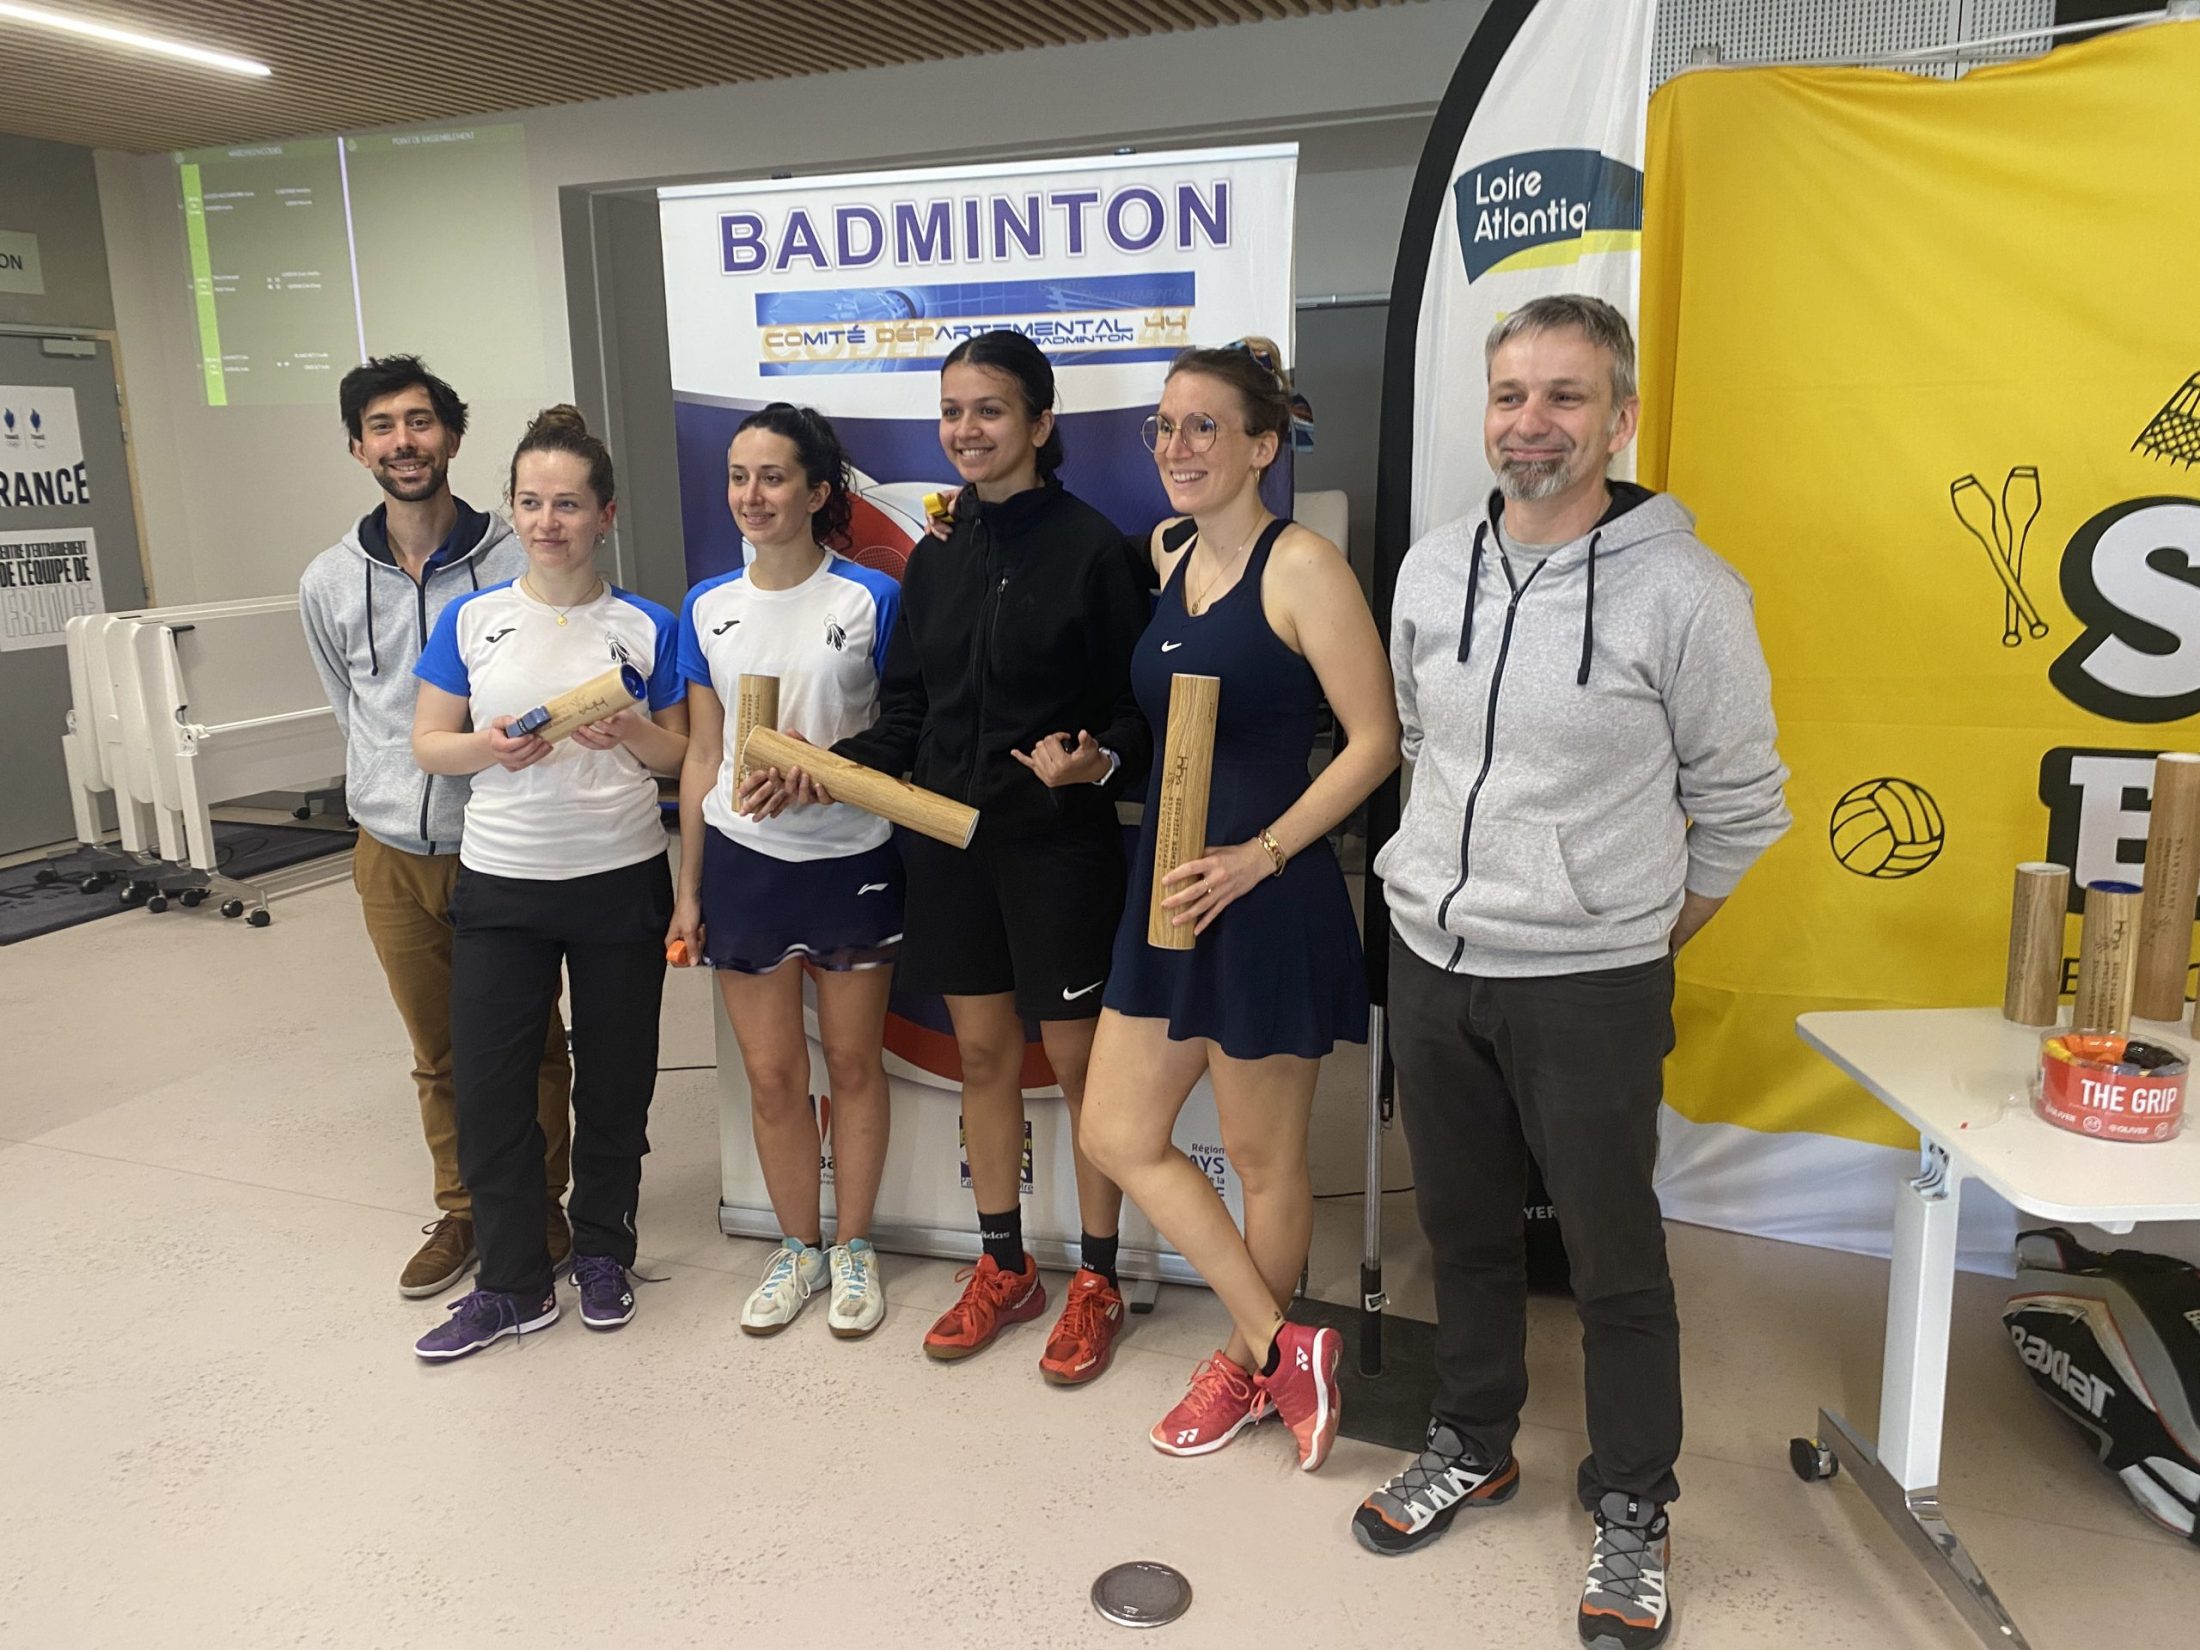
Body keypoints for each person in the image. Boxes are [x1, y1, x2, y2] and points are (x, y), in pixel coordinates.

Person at [1358, 294, 1789, 1650]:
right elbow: (1420, 738)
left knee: (1613, 1261)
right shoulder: (1432, 568)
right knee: (1464, 1229)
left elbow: (1743, 806)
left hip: (1590, 980)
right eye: (1510, 394)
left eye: (1563, 395)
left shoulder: (1688, 592)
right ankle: (1472, 1438)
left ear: (1620, 418)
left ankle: (1634, 1503)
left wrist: (1633, 933)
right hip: (1433, 957)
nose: (1530, 422)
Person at [786, 330, 1152, 1384]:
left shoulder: (1093, 550)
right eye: (951, 411)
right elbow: (908, 711)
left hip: (1058, 849)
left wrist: (1096, 761)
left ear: (1040, 422)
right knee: (985, 1059)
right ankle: (1005, 1266)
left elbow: (1138, 714)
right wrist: (835, 766)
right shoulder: (939, 554)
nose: (966, 430)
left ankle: (1097, 1279)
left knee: (1081, 1071)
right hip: (947, 845)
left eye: (988, 410)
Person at [1077, 340, 1400, 1474]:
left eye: (1204, 425)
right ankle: (1282, 1343)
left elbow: (1375, 743)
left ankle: (1243, 1364)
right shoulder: (1173, 554)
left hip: (1264, 894)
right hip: (1167, 892)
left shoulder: (1303, 566)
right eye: (1165, 426)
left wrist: (1259, 858)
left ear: (1264, 445)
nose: (1177, 446)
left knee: (1264, 1161)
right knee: (1114, 1132)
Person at [406, 406, 689, 1360]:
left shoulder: (647, 625)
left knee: (616, 1083)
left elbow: (683, 756)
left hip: (618, 879)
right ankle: (512, 1283)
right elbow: (429, 743)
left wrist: (632, 732)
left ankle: (604, 1251)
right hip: (502, 884)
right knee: (492, 1092)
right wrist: (487, 747)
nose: (547, 521)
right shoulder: (472, 621)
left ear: (605, 515)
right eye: (530, 502)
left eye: (568, 504)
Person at [299, 356, 574, 1299]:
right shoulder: (328, 581)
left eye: (420, 422)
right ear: (358, 448)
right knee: (437, 1049)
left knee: (532, 1039)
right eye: (381, 426)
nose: (403, 442)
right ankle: (464, 1208)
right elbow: (353, 709)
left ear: (451, 436)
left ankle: (539, 1201)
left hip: (503, 842)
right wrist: (387, 788)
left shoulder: (516, 559)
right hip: (388, 851)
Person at [665, 404, 901, 1340]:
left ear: (816, 491)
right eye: (738, 476)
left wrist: (826, 772)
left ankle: (855, 1247)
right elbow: (702, 753)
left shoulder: (870, 599)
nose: (751, 495)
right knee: (770, 1075)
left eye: (772, 477)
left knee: (853, 1063)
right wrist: (689, 889)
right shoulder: (706, 606)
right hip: (744, 864)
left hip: (850, 860)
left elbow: (900, 737)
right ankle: (798, 1249)